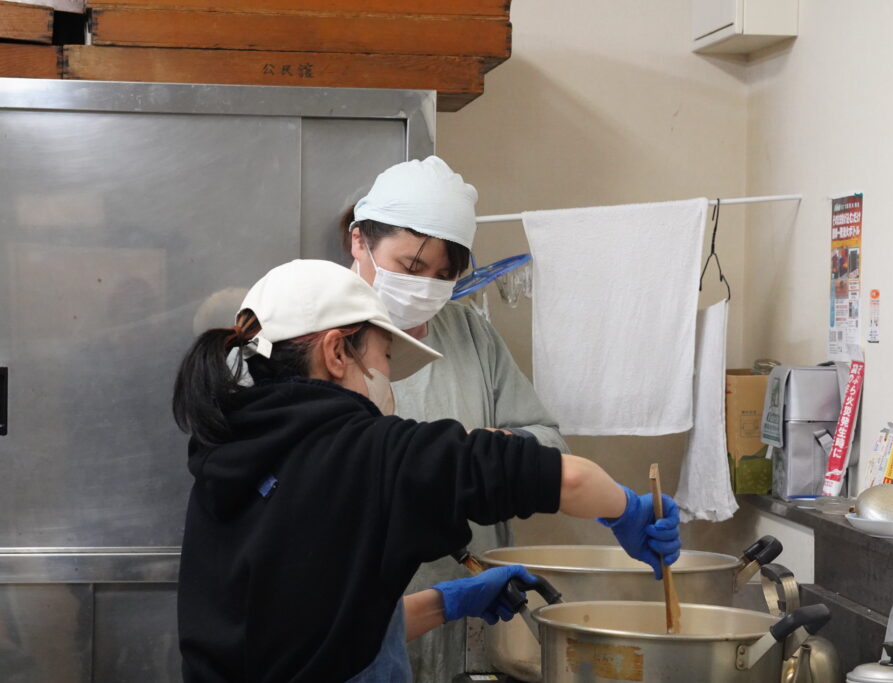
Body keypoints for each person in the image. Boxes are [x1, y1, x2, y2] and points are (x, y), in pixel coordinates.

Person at [172, 259, 681, 682]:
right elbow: (568, 478)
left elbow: (318, 634)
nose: (388, 376)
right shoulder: (374, 451)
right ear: (336, 352)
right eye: (385, 355)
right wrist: (628, 511)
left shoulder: (225, 459)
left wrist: (448, 602)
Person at [343, 156, 570, 680]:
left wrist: (497, 447)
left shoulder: (468, 333)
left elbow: (552, 445)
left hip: (473, 605)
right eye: (411, 267)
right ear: (359, 241)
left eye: (444, 275)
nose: (426, 287)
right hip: (356, 619)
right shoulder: (314, 336)